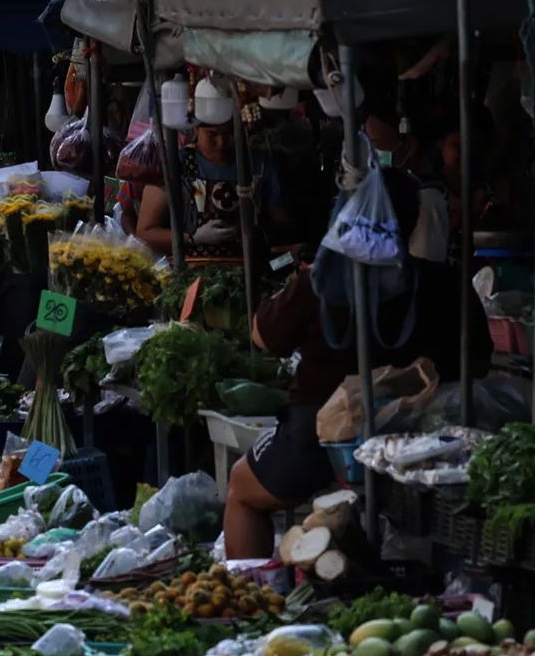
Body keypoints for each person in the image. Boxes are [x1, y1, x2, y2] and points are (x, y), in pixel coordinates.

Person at [223, 167, 490, 559]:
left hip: (326, 433)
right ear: (411, 220)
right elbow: (479, 359)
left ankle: (247, 588)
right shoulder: (446, 281)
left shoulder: (320, 283)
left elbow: (263, 337)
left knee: (241, 489)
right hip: (425, 440)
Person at [135, 121, 292, 262]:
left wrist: (253, 232)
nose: (222, 142)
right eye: (213, 134)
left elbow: (283, 224)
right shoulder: (176, 165)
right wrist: (192, 238)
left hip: (248, 268)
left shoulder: (257, 164)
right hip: (190, 271)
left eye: (230, 133)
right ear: (196, 129)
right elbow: (145, 233)